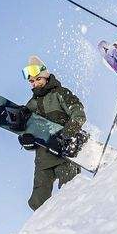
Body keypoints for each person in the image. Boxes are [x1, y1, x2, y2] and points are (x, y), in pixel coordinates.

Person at [19, 56, 86, 211]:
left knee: (71, 193)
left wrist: (65, 136)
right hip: (43, 159)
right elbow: (27, 132)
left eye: (38, 79)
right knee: (38, 202)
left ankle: (77, 220)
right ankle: (44, 226)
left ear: (46, 75)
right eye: (32, 81)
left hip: (65, 154)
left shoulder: (60, 93)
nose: (35, 84)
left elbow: (79, 115)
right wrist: (26, 141)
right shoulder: (30, 105)